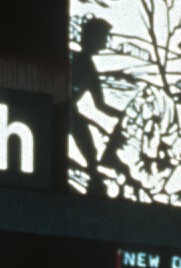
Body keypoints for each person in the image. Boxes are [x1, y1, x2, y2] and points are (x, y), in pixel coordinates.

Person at [68, 17, 124, 183]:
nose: (106, 41)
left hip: (69, 111)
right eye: (103, 37)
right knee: (83, 136)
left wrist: (122, 116)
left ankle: (93, 172)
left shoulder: (88, 66)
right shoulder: (74, 58)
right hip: (61, 110)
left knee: (86, 140)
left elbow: (100, 105)